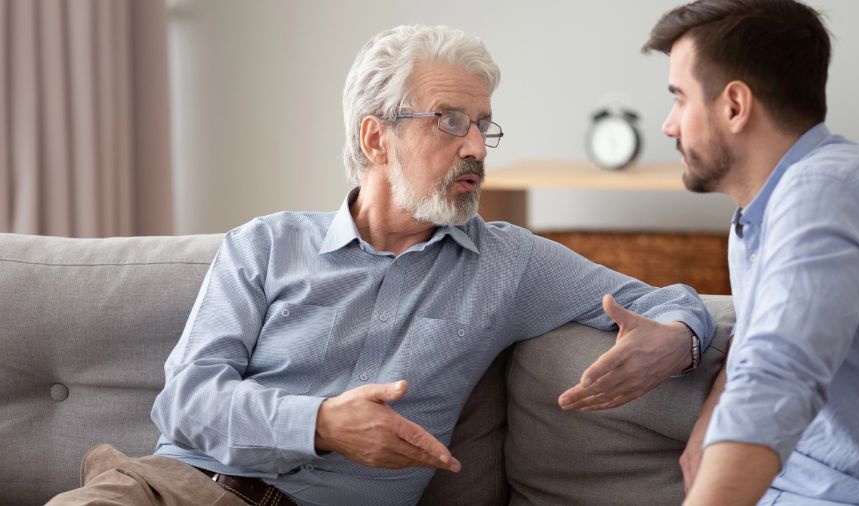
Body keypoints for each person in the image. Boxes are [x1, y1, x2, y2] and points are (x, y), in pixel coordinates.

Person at [48, 24, 714, 506]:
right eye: (449, 121)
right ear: (376, 137)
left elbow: (669, 301)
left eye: (483, 124)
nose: (478, 147)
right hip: (170, 489)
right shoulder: (265, 245)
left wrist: (679, 341)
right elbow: (185, 404)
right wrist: (321, 425)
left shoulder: (509, 262)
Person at [641, 0, 859, 504]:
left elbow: (775, 382)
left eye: (680, 99)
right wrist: (709, 422)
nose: (670, 125)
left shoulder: (823, 194)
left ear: (734, 106)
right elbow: (764, 343)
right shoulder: (761, 213)